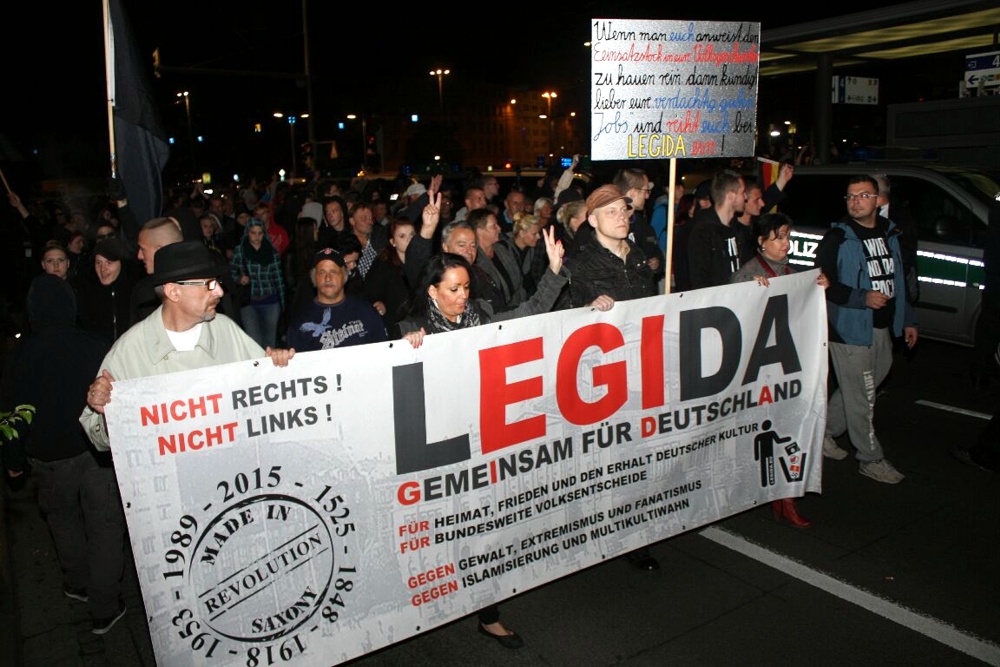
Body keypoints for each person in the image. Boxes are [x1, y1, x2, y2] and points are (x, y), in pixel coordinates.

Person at [399, 219, 611, 650]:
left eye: (465, 288)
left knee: (482, 528)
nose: (463, 297)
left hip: (482, 438)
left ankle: (487, 613)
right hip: (440, 449)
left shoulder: (480, 316)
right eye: (453, 290)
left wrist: (554, 272)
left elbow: (530, 312)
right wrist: (405, 337)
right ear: (432, 292)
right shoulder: (414, 327)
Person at [80, 241, 296, 454]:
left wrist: (277, 366)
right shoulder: (130, 350)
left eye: (217, 282)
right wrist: (108, 416)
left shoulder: (225, 330)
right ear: (174, 292)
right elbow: (97, 436)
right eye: (209, 284)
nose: (219, 291)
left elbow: (268, 397)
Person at [2, 274, 126, 635]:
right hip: (95, 454)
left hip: (48, 458)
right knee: (105, 526)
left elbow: (12, 414)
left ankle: (78, 584)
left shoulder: (18, 356)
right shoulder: (95, 345)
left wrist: (12, 461)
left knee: (63, 521)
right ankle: (105, 607)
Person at [555, 184, 659, 571]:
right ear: (592, 220)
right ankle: (587, 530)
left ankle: (633, 537)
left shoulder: (638, 257)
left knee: (634, 455)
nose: (621, 217)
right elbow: (561, 319)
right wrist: (585, 307)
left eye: (624, 210)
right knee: (600, 459)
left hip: (638, 371)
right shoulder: (580, 264)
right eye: (611, 212)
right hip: (599, 380)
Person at [814, 175, 918, 483]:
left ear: (878, 201)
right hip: (848, 328)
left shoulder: (890, 233)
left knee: (859, 389)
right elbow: (824, 284)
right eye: (850, 197)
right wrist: (862, 298)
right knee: (863, 397)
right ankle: (870, 459)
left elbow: (899, 279)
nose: (855, 201)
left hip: (882, 326)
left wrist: (908, 319)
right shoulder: (837, 237)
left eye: (862, 195)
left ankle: (823, 433)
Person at [730, 212, 830, 527]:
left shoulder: (789, 271)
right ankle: (768, 494)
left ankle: (784, 497)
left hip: (784, 367)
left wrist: (817, 289)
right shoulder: (747, 274)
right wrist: (749, 294)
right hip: (759, 371)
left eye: (787, 236)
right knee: (764, 434)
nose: (786, 243)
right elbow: (732, 319)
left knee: (788, 432)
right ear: (761, 242)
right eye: (778, 237)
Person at [285, 247, 387, 351]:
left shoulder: (366, 311)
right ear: (314, 278)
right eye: (322, 272)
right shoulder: (300, 321)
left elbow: (383, 352)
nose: (328, 278)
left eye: (334, 272)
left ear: (344, 276)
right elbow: (295, 363)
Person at [686, 169, 747, 290]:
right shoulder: (702, 233)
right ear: (731, 196)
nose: (745, 197)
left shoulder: (737, 229)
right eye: (742, 192)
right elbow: (699, 280)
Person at [231, 218, 285, 348]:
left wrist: (283, 304)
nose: (256, 236)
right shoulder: (241, 250)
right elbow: (232, 271)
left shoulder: (271, 251)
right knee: (254, 343)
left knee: (269, 343)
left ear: (264, 233)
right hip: (249, 302)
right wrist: (239, 278)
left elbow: (278, 278)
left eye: (260, 233)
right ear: (247, 233)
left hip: (270, 301)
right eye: (253, 232)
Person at [72, 238, 137, 345]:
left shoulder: (135, 292)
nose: (103, 268)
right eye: (98, 263)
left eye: (109, 263)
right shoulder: (86, 294)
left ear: (121, 263)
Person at [363, 216, 415, 332]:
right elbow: (369, 293)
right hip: (395, 325)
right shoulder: (383, 265)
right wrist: (378, 304)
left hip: (419, 322)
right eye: (402, 236)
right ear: (393, 242)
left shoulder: (423, 260)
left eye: (412, 235)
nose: (409, 239)